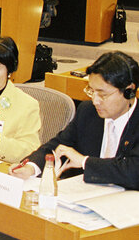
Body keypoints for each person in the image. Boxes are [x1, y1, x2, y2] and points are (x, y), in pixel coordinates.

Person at [11, 51, 139, 189]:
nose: (95, 101)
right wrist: (31, 167)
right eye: (91, 91)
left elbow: (133, 171)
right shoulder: (88, 111)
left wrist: (84, 162)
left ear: (129, 91)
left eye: (102, 94)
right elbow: (58, 146)